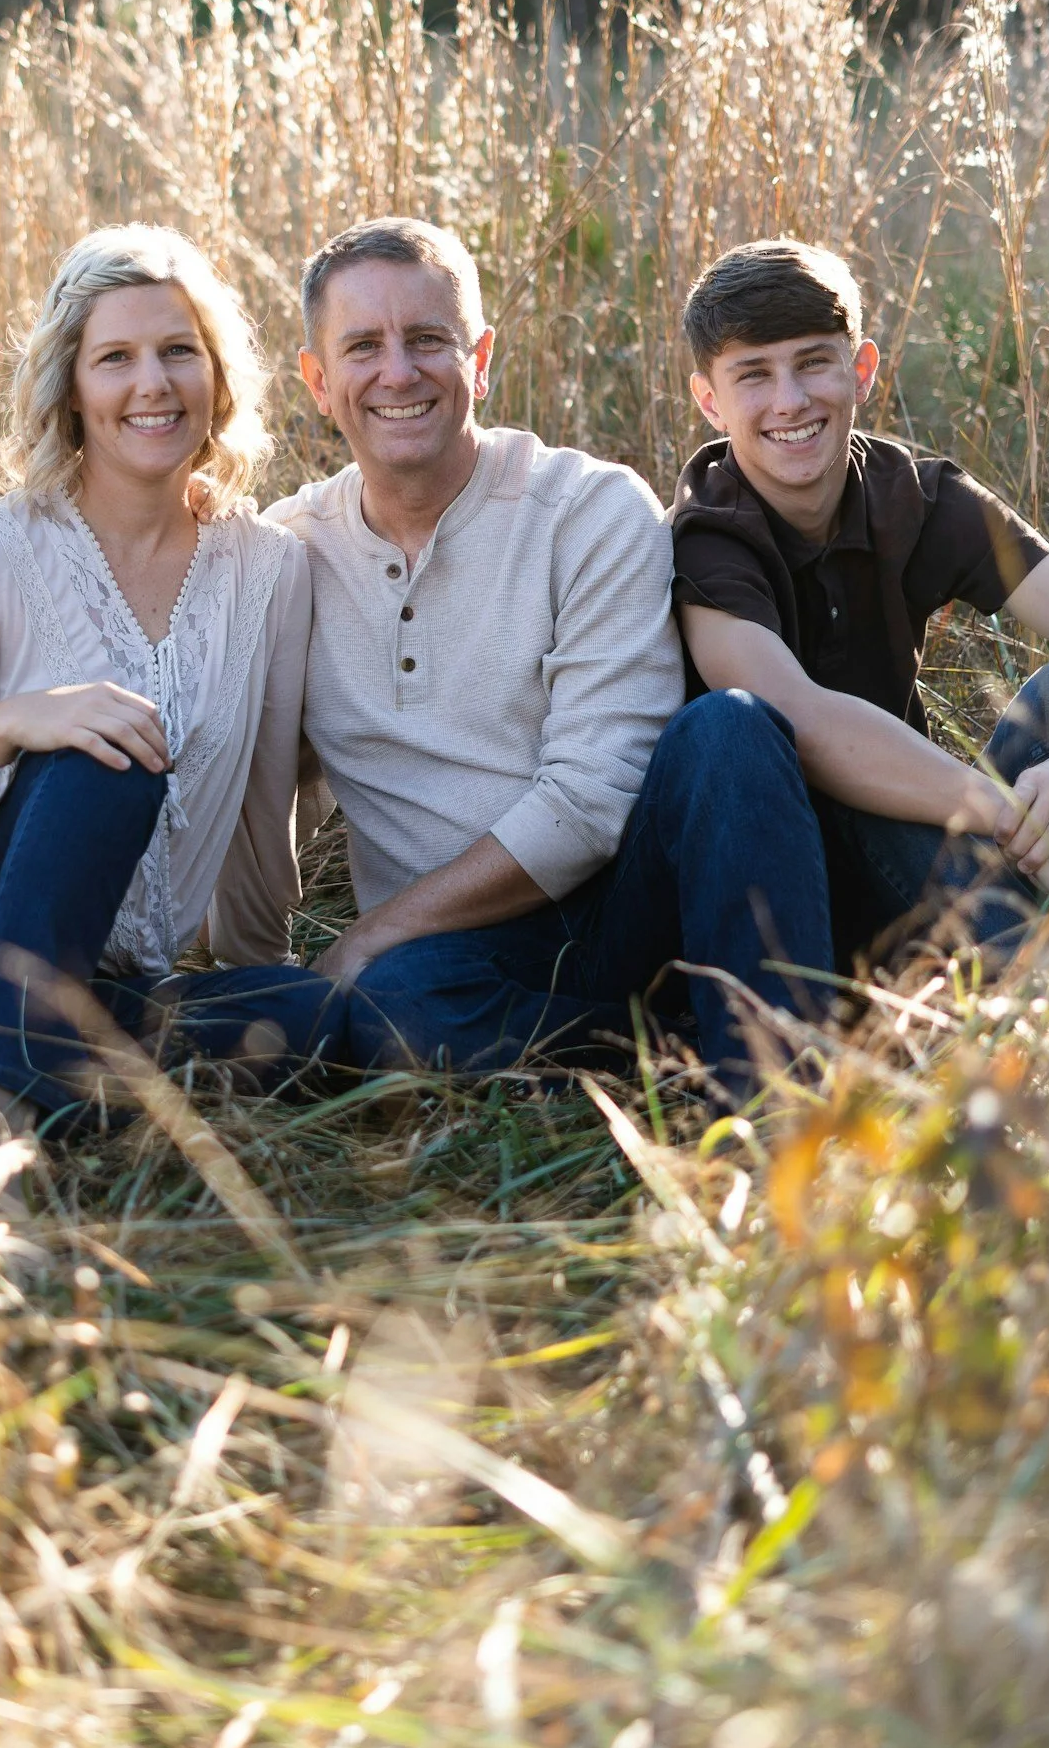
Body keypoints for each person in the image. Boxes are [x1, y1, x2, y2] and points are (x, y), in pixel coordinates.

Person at [194, 215, 836, 1092]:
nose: (397, 372)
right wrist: (245, 957)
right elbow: (253, 776)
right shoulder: (286, 551)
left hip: (627, 914)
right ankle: (656, 1060)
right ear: (317, 380)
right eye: (362, 348)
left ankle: (773, 1090)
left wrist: (374, 932)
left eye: (428, 339)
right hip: (454, 962)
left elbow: (591, 800)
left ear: (480, 358)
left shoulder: (589, 510)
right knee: (391, 1014)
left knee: (729, 730)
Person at [0, 223, 310, 1135]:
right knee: (104, 754)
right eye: (114, 358)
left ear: (216, 375)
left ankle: (8, 1073)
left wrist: (256, 966)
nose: (152, 384)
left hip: (108, 984)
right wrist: (8, 725)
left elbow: (261, 801)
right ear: (73, 389)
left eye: (177, 352)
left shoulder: (270, 568)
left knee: (313, 1019)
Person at [670, 236, 1049, 966]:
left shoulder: (915, 495)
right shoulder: (705, 536)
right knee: (868, 802)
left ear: (862, 369)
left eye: (813, 361)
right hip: (796, 882)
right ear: (710, 402)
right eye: (753, 375)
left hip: (939, 818)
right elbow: (802, 723)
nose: (789, 401)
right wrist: (1012, 816)